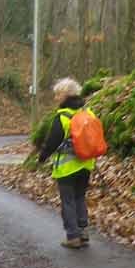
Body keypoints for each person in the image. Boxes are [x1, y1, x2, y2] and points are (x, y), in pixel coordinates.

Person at [37, 77, 98, 249]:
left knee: (68, 201)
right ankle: (83, 231)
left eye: (57, 95)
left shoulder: (62, 117)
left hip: (66, 167)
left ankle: (73, 236)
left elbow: (52, 142)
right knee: (80, 197)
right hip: (86, 164)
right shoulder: (88, 113)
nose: (55, 98)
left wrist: (42, 158)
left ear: (65, 96)